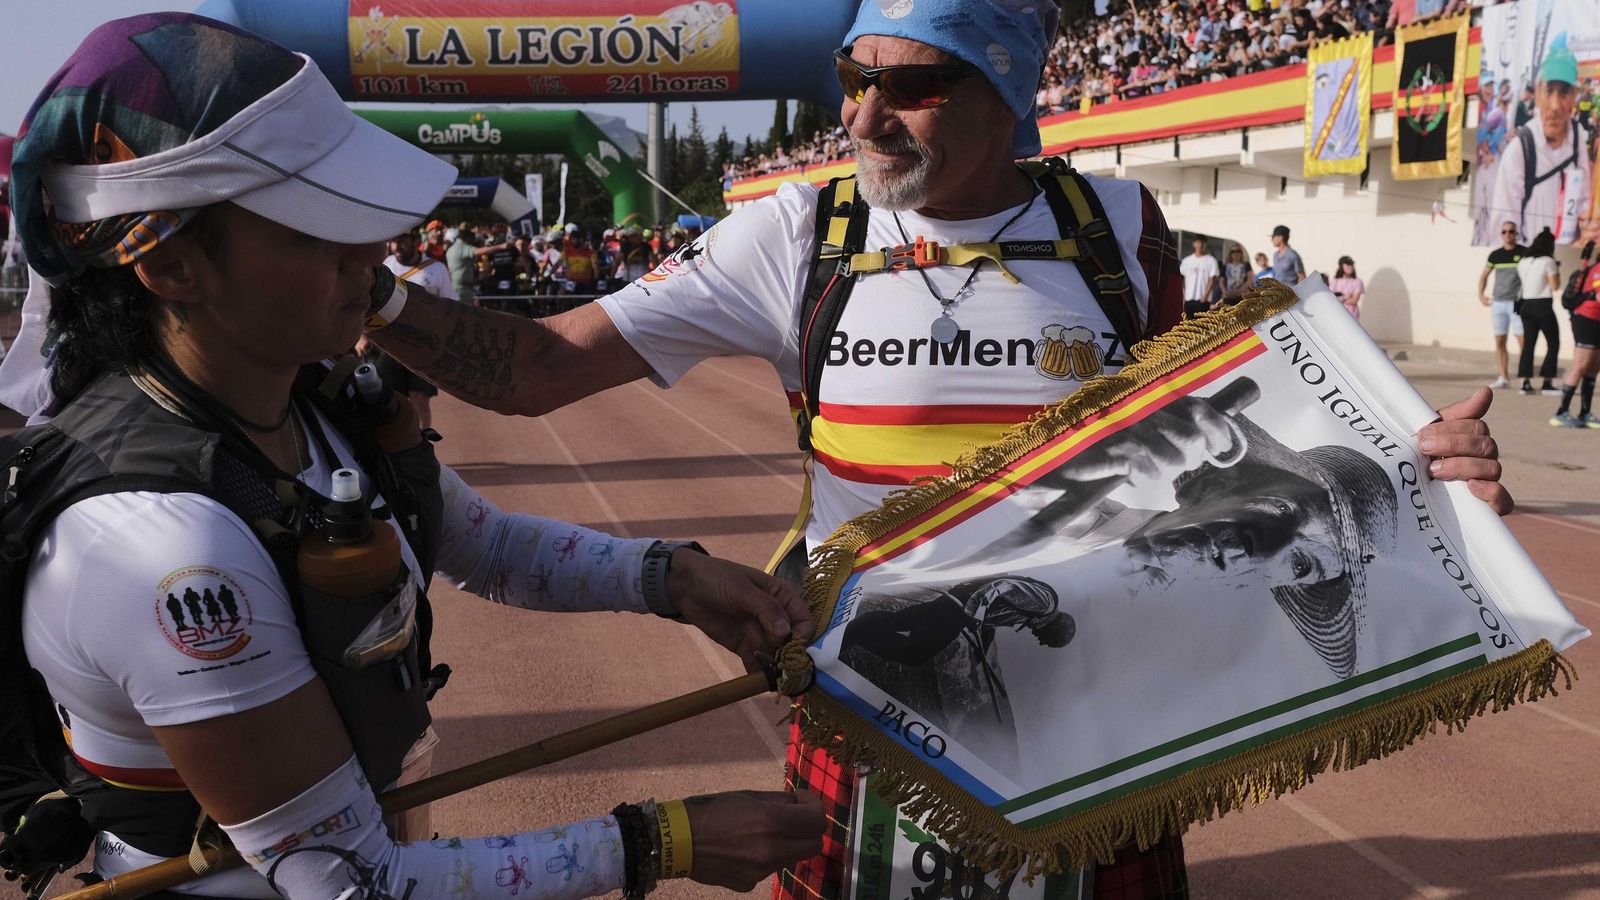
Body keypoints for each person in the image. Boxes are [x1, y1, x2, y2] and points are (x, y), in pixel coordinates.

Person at [368, 0, 1512, 894]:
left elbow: (1237, 428)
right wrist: (351, 296)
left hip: (1095, 715)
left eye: (910, 88)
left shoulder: (1118, 230)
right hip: (873, 709)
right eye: (854, 80)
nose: (864, 118)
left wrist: (1412, 460)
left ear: (1006, 88)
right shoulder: (796, 234)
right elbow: (532, 370)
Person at [0, 14, 824, 899]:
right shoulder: (161, 546)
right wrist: (663, 839)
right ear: (167, 265)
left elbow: (479, 542)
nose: (372, 253)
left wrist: (673, 579)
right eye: (313, 223)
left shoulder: (306, 404)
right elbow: (352, 881)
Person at [1489, 36, 1597, 247]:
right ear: (1537, 94)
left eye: (1564, 92)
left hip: (1566, 262)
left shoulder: (1577, 138)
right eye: (1549, 91)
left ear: (1574, 96)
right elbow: (1503, 230)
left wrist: (1588, 228)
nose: (1555, 105)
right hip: (1528, 265)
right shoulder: (1520, 149)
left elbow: (1583, 200)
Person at [366, 230, 458, 429]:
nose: (396, 246)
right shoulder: (385, 265)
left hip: (425, 347)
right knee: (389, 397)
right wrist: (362, 336)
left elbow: (452, 305)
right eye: (393, 241)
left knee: (419, 397)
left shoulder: (437, 269)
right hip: (389, 345)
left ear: (417, 242)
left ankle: (423, 445)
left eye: (402, 241)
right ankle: (398, 446)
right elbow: (367, 302)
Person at [1552, 242, 1600, 428]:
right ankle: (1561, 412)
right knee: (1580, 366)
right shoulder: (1597, 270)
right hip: (1586, 319)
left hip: (1596, 322)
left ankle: (1585, 413)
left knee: (1594, 367)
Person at [1479, 219, 1526, 388]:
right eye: (1504, 232)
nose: (1507, 235)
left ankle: (1524, 378)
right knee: (1499, 341)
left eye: (1511, 231)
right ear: (1501, 235)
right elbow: (1484, 275)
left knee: (1523, 341)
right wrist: (1481, 295)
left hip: (1517, 304)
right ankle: (1503, 377)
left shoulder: (1524, 252)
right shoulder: (1495, 255)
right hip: (1498, 304)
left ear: (1516, 234)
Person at [1516, 227, 1563, 395]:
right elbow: (1555, 286)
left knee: (1528, 344)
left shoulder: (1524, 261)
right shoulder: (1547, 261)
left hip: (1525, 305)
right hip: (1542, 305)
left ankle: (1525, 383)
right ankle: (1547, 383)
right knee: (1553, 342)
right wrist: (1557, 269)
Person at [1180, 235, 1220, 318]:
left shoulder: (1211, 261)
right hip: (1188, 299)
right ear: (1194, 244)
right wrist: (1183, 297)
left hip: (1203, 300)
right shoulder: (1187, 261)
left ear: (1206, 244)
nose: (1200, 245)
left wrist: (1205, 297)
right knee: (1188, 326)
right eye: (1198, 242)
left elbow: (1212, 280)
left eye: (1202, 243)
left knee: (1201, 326)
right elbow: (1182, 280)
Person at [1330, 255, 1365, 321]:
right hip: (1337, 314)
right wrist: (1346, 298)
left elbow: (1354, 300)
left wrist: (1340, 299)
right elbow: (1330, 298)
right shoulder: (1335, 281)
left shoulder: (1357, 281)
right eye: (1348, 265)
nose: (1351, 267)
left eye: (1352, 264)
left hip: (1352, 315)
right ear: (1341, 266)